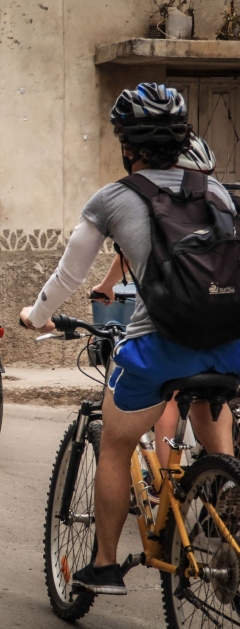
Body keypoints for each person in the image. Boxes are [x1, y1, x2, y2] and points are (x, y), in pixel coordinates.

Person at [19, 83, 240, 595]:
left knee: (116, 444)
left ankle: (104, 564)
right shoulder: (216, 191)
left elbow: (69, 275)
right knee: (213, 401)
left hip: (159, 342)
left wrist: (36, 314)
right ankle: (222, 486)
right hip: (229, 341)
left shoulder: (114, 198)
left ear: (126, 146)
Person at [91, 131, 220, 484]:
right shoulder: (219, 200)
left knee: (168, 388)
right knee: (208, 398)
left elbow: (129, 251)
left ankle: (167, 480)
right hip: (227, 329)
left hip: (171, 327)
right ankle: (225, 478)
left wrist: (104, 289)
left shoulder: (147, 201)